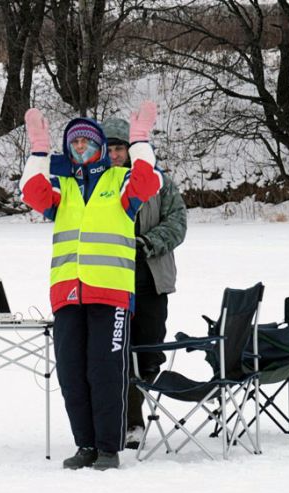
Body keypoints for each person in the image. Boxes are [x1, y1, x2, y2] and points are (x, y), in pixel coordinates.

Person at [20, 102, 163, 470]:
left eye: (87, 142)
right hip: (68, 292)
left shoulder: (119, 181)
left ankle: (108, 447)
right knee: (71, 372)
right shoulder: (63, 186)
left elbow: (149, 182)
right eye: (74, 144)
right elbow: (31, 192)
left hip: (110, 293)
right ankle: (85, 444)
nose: (80, 149)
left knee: (105, 371)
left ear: (100, 147)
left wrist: (140, 142)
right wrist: (38, 148)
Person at [101, 117, 186, 450]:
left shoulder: (159, 182)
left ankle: (134, 405)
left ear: (133, 150)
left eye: (120, 148)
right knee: (118, 354)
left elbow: (177, 224)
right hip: (111, 283)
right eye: (109, 149)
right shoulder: (95, 184)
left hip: (151, 281)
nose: (115, 154)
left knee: (148, 354)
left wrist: (145, 243)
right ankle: (129, 421)